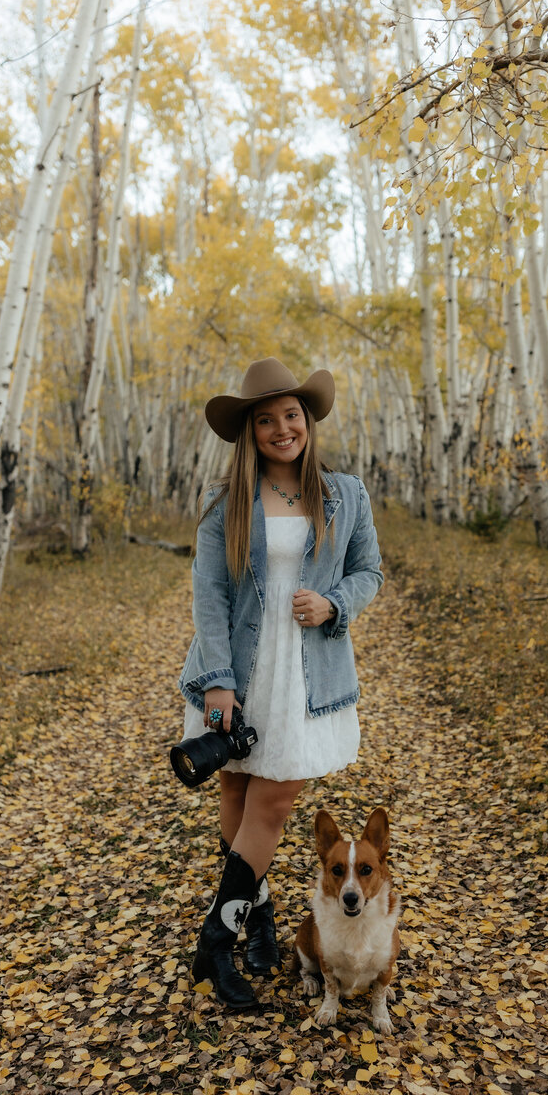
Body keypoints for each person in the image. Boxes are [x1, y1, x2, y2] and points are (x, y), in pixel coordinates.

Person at [178, 357, 384, 1010]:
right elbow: (209, 594)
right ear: (251, 431)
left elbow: (370, 571)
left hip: (305, 676)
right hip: (238, 672)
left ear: (307, 419)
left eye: (290, 415)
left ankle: (216, 941)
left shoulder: (345, 494)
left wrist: (334, 603)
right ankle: (258, 921)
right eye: (265, 420)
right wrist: (217, 681)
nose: (281, 428)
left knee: (272, 802)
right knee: (237, 790)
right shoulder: (226, 502)